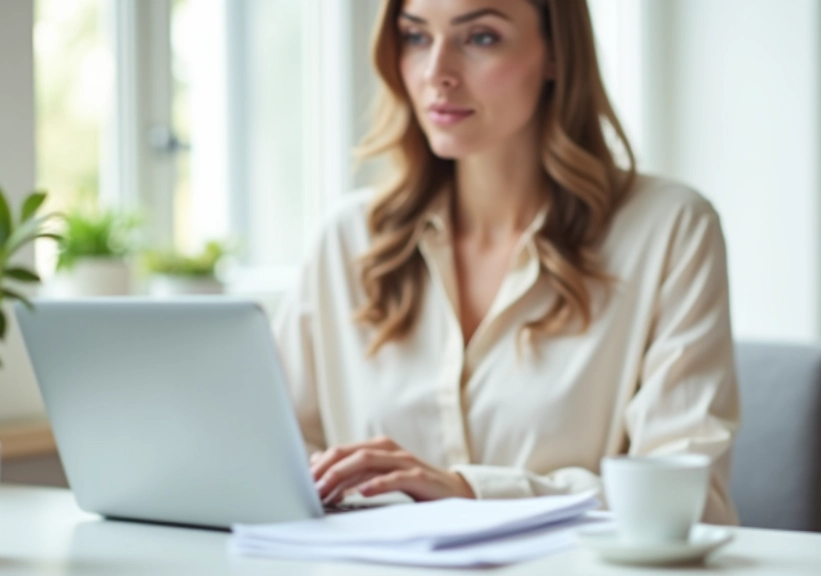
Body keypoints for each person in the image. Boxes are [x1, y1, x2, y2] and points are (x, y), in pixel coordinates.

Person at [274, 0, 740, 524]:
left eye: (480, 38)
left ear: (556, 54)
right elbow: (272, 461)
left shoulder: (669, 228)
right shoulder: (346, 240)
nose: (436, 74)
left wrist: (472, 492)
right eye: (416, 37)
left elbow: (688, 502)